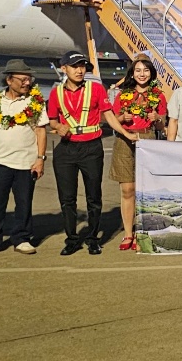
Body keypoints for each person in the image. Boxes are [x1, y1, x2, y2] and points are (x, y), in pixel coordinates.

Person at [47, 51, 131, 256]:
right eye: (75, 66)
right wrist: (59, 126)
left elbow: (109, 116)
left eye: (82, 66)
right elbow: (52, 120)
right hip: (66, 150)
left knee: (94, 196)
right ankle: (72, 239)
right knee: (67, 198)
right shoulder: (56, 93)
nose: (80, 70)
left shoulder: (96, 89)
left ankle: (93, 238)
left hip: (91, 148)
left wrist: (126, 133)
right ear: (63, 68)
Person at [0, 60, 49, 257]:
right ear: (9, 79)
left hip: (26, 162)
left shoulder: (35, 101)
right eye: (22, 79)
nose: (27, 83)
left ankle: (22, 238)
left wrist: (40, 158)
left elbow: (41, 131)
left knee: (24, 203)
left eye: (28, 79)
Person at [109, 57, 167, 252]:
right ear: (132, 73)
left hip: (147, 139)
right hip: (124, 140)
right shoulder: (123, 95)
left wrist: (157, 118)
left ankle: (142, 232)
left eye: (146, 70)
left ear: (151, 73)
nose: (142, 74)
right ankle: (128, 233)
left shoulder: (158, 95)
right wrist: (121, 117)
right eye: (138, 70)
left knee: (145, 190)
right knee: (127, 189)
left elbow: (162, 125)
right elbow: (112, 118)